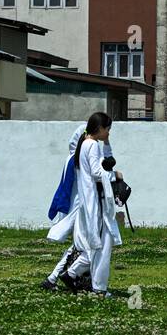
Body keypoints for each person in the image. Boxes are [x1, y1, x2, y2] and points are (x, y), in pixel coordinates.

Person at [63, 112, 123, 297]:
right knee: (102, 245)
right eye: (107, 129)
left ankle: (74, 275)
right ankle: (97, 288)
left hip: (88, 203)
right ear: (100, 128)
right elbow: (98, 172)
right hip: (95, 204)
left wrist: (106, 144)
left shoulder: (84, 144)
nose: (108, 133)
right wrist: (115, 176)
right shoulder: (92, 146)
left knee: (96, 245)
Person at [40, 122, 88, 291]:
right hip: (81, 210)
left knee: (79, 248)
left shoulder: (72, 159)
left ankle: (55, 279)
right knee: (83, 248)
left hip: (78, 209)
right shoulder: (79, 160)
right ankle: (58, 278)